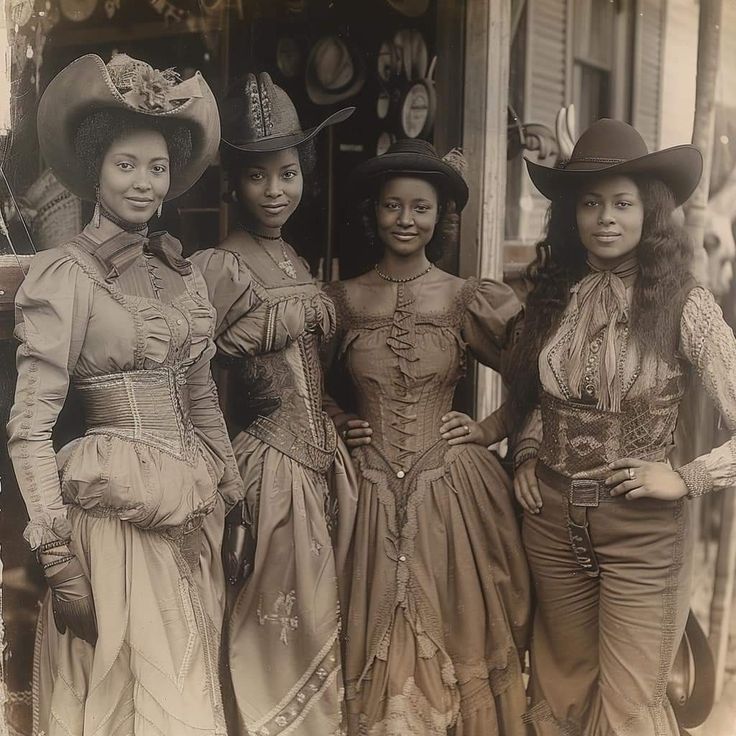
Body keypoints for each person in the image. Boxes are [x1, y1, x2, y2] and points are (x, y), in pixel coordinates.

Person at [6, 53, 241, 735]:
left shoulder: (182, 277)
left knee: (190, 692)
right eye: (126, 165)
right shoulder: (65, 276)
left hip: (189, 523)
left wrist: (232, 499)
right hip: (110, 529)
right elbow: (29, 426)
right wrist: (55, 553)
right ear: (95, 172)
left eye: (157, 167)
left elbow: (200, 402)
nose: (143, 183)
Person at [508, 118, 736, 735]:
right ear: (571, 215)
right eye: (590, 203)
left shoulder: (685, 303)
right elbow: (540, 398)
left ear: (650, 211)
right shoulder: (554, 294)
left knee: (629, 711)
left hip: (641, 534)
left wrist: (687, 478)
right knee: (557, 699)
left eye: (622, 203)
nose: (605, 218)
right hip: (552, 526)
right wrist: (527, 452)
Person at [323, 139, 530, 736]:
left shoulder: (467, 297)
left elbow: (539, 371)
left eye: (420, 207)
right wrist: (339, 419)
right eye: (393, 206)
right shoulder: (342, 299)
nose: (406, 220)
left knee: (457, 632)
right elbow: (300, 384)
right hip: (366, 496)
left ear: (440, 217)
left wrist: (488, 428)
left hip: (450, 495)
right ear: (375, 213)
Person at [191, 72, 358, 736]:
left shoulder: (293, 257)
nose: (274, 191)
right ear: (233, 183)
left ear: (303, 174)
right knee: (280, 619)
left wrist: (333, 415)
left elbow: (309, 366)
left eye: (286, 173)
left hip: (321, 466)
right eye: (257, 177)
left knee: (324, 612)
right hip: (269, 468)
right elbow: (195, 370)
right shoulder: (219, 265)